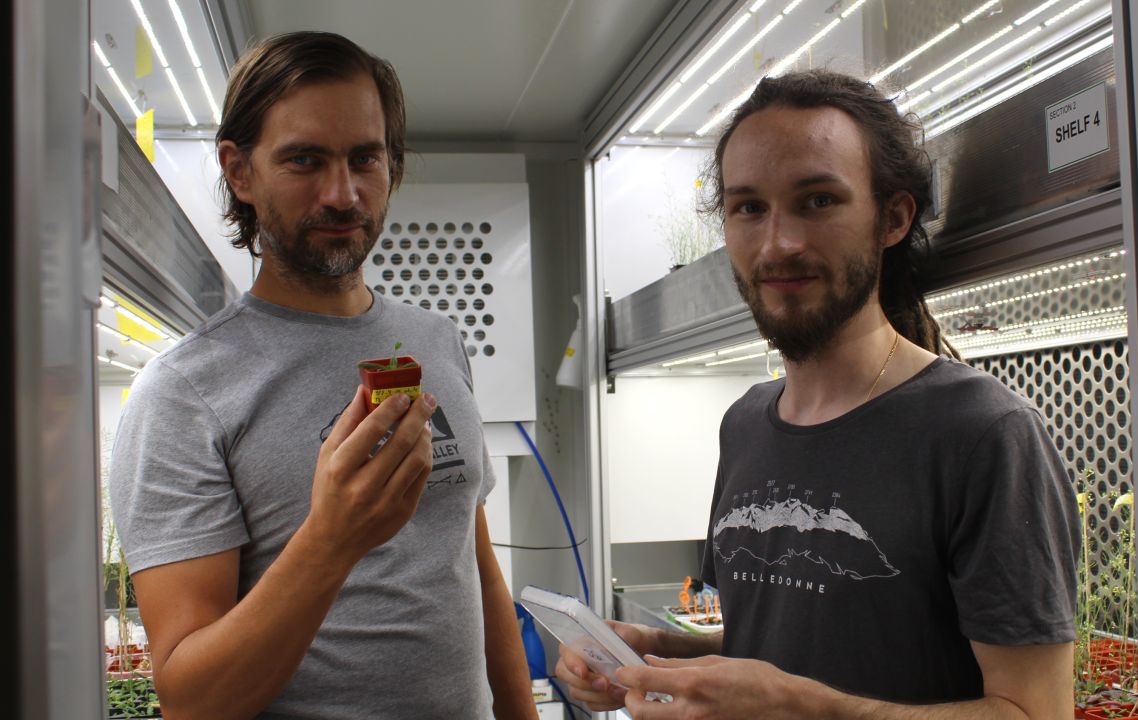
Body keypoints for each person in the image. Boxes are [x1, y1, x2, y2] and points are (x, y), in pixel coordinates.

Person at [557, 69, 1080, 719]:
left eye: (818, 200)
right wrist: (659, 653)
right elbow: (794, 645)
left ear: (892, 218)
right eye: (749, 208)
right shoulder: (746, 424)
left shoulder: (982, 432)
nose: (778, 243)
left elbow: (1036, 711)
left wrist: (800, 707)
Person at [109, 31, 537, 720]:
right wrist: (330, 541)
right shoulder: (184, 392)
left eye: (365, 158)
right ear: (240, 172)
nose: (343, 194)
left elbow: (476, 568)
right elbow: (193, 700)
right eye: (305, 160)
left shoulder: (436, 341)